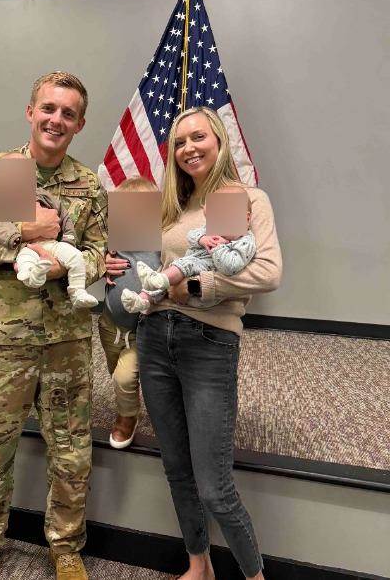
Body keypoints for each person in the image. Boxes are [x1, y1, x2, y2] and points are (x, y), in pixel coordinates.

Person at [104, 107, 281, 580]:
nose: (188, 149)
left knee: (214, 488)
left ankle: (254, 576)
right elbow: (132, 267)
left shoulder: (237, 197)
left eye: (198, 137)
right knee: (177, 470)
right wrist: (111, 267)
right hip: (152, 339)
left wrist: (199, 288)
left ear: (219, 140)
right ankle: (198, 566)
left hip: (206, 341)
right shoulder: (169, 207)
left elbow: (267, 272)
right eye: (179, 142)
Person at [0, 71, 107, 580]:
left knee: (71, 452)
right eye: (48, 108)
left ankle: (65, 548)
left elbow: (99, 251)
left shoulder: (88, 185)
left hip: (67, 339)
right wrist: (25, 230)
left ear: (79, 123)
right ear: (30, 112)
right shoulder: (6, 174)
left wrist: (66, 266)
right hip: (7, 338)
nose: (56, 119)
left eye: (68, 113)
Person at [97, 176, 162, 449]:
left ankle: (127, 416)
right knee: (117, 374)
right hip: (110, 325)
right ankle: (128, 402)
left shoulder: (161, 247)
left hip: (142, 331)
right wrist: (101, 260)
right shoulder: (114, 241)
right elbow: (90, 248)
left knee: (124, 376)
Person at [122, 185, 256, 313]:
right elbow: (191, 236)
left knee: (180, 266)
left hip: (203, 284)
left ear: (247, 218)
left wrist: (218, 247)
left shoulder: (245, 242)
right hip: (183, 275)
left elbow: (230, 267)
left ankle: (159, 281)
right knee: (165, 271)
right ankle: (142, 300)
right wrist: (202, 239)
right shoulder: (212, 229)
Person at [0, 153, 99, 309]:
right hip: (27, 247)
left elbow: (64, 216)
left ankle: (77, 292)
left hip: (52, 245)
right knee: (25, 263)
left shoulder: (44, 195)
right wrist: (18, 234)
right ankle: (33, 275)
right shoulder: (3, 200)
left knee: (76, 257)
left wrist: (68, 240)